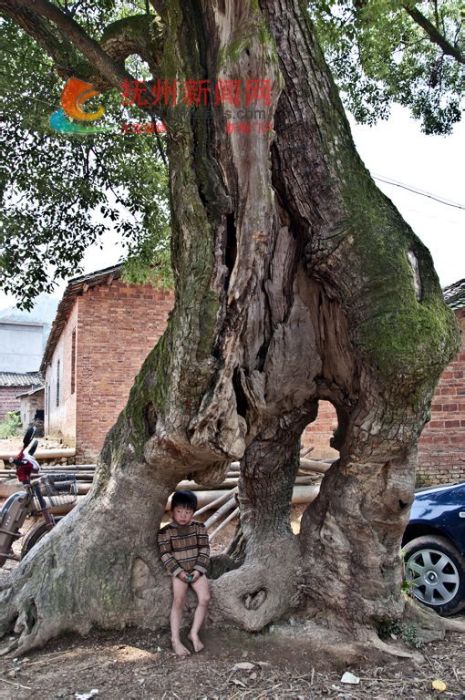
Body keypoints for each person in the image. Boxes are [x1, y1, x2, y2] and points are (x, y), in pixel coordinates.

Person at [157, 490, 211, 657]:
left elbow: (204, 549)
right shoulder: (165, 532)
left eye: (188, 512)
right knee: (178, 600)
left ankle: (193, 633)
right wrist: (179, 572)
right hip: (178, 572)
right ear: (172, 511)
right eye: (179, 511)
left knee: (205, 598)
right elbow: (165, 554)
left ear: (193, 513)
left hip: (196, 570)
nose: (183, 516)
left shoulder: (199, 528)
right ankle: (175, 639)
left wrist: (197, 571)